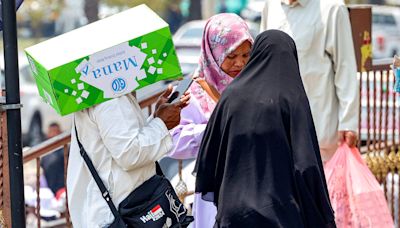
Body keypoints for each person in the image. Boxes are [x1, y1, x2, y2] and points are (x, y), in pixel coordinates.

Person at [195, 30, 335, 227]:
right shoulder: (292, 99)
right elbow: (306, 164)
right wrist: (321, 215)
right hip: (281, 214)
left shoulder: (230, 96)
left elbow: (208, 159)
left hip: (234, 214)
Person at [168, 13, 253, 228]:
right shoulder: (191, 92)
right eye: (231, 56)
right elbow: (172, 141)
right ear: (213, 52)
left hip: (252, 187)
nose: (240, 63)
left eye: (246, 55)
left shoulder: (254, 85)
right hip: (214, 192)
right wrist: (215, 131)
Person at [67, 89, 190, 227]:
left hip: (118, 209)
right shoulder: (110, 97)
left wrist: (156, 119)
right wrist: (161, 124)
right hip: (121, 212)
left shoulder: (98, 90)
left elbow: (124, 141)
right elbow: (130, 154)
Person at [260, 0, 359, 161]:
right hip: (278, 128)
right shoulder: (270, 6)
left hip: (320, 131)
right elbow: (263, 60)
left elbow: (345, 67)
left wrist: (348, 122)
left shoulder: (332, 8)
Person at [41, 122, 65, 195]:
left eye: (56, 132)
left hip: (62, 189)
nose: (54, 134)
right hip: (48, 189)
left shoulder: (66, 150)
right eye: (51, 132)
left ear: (60, 132)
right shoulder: (44, 151)